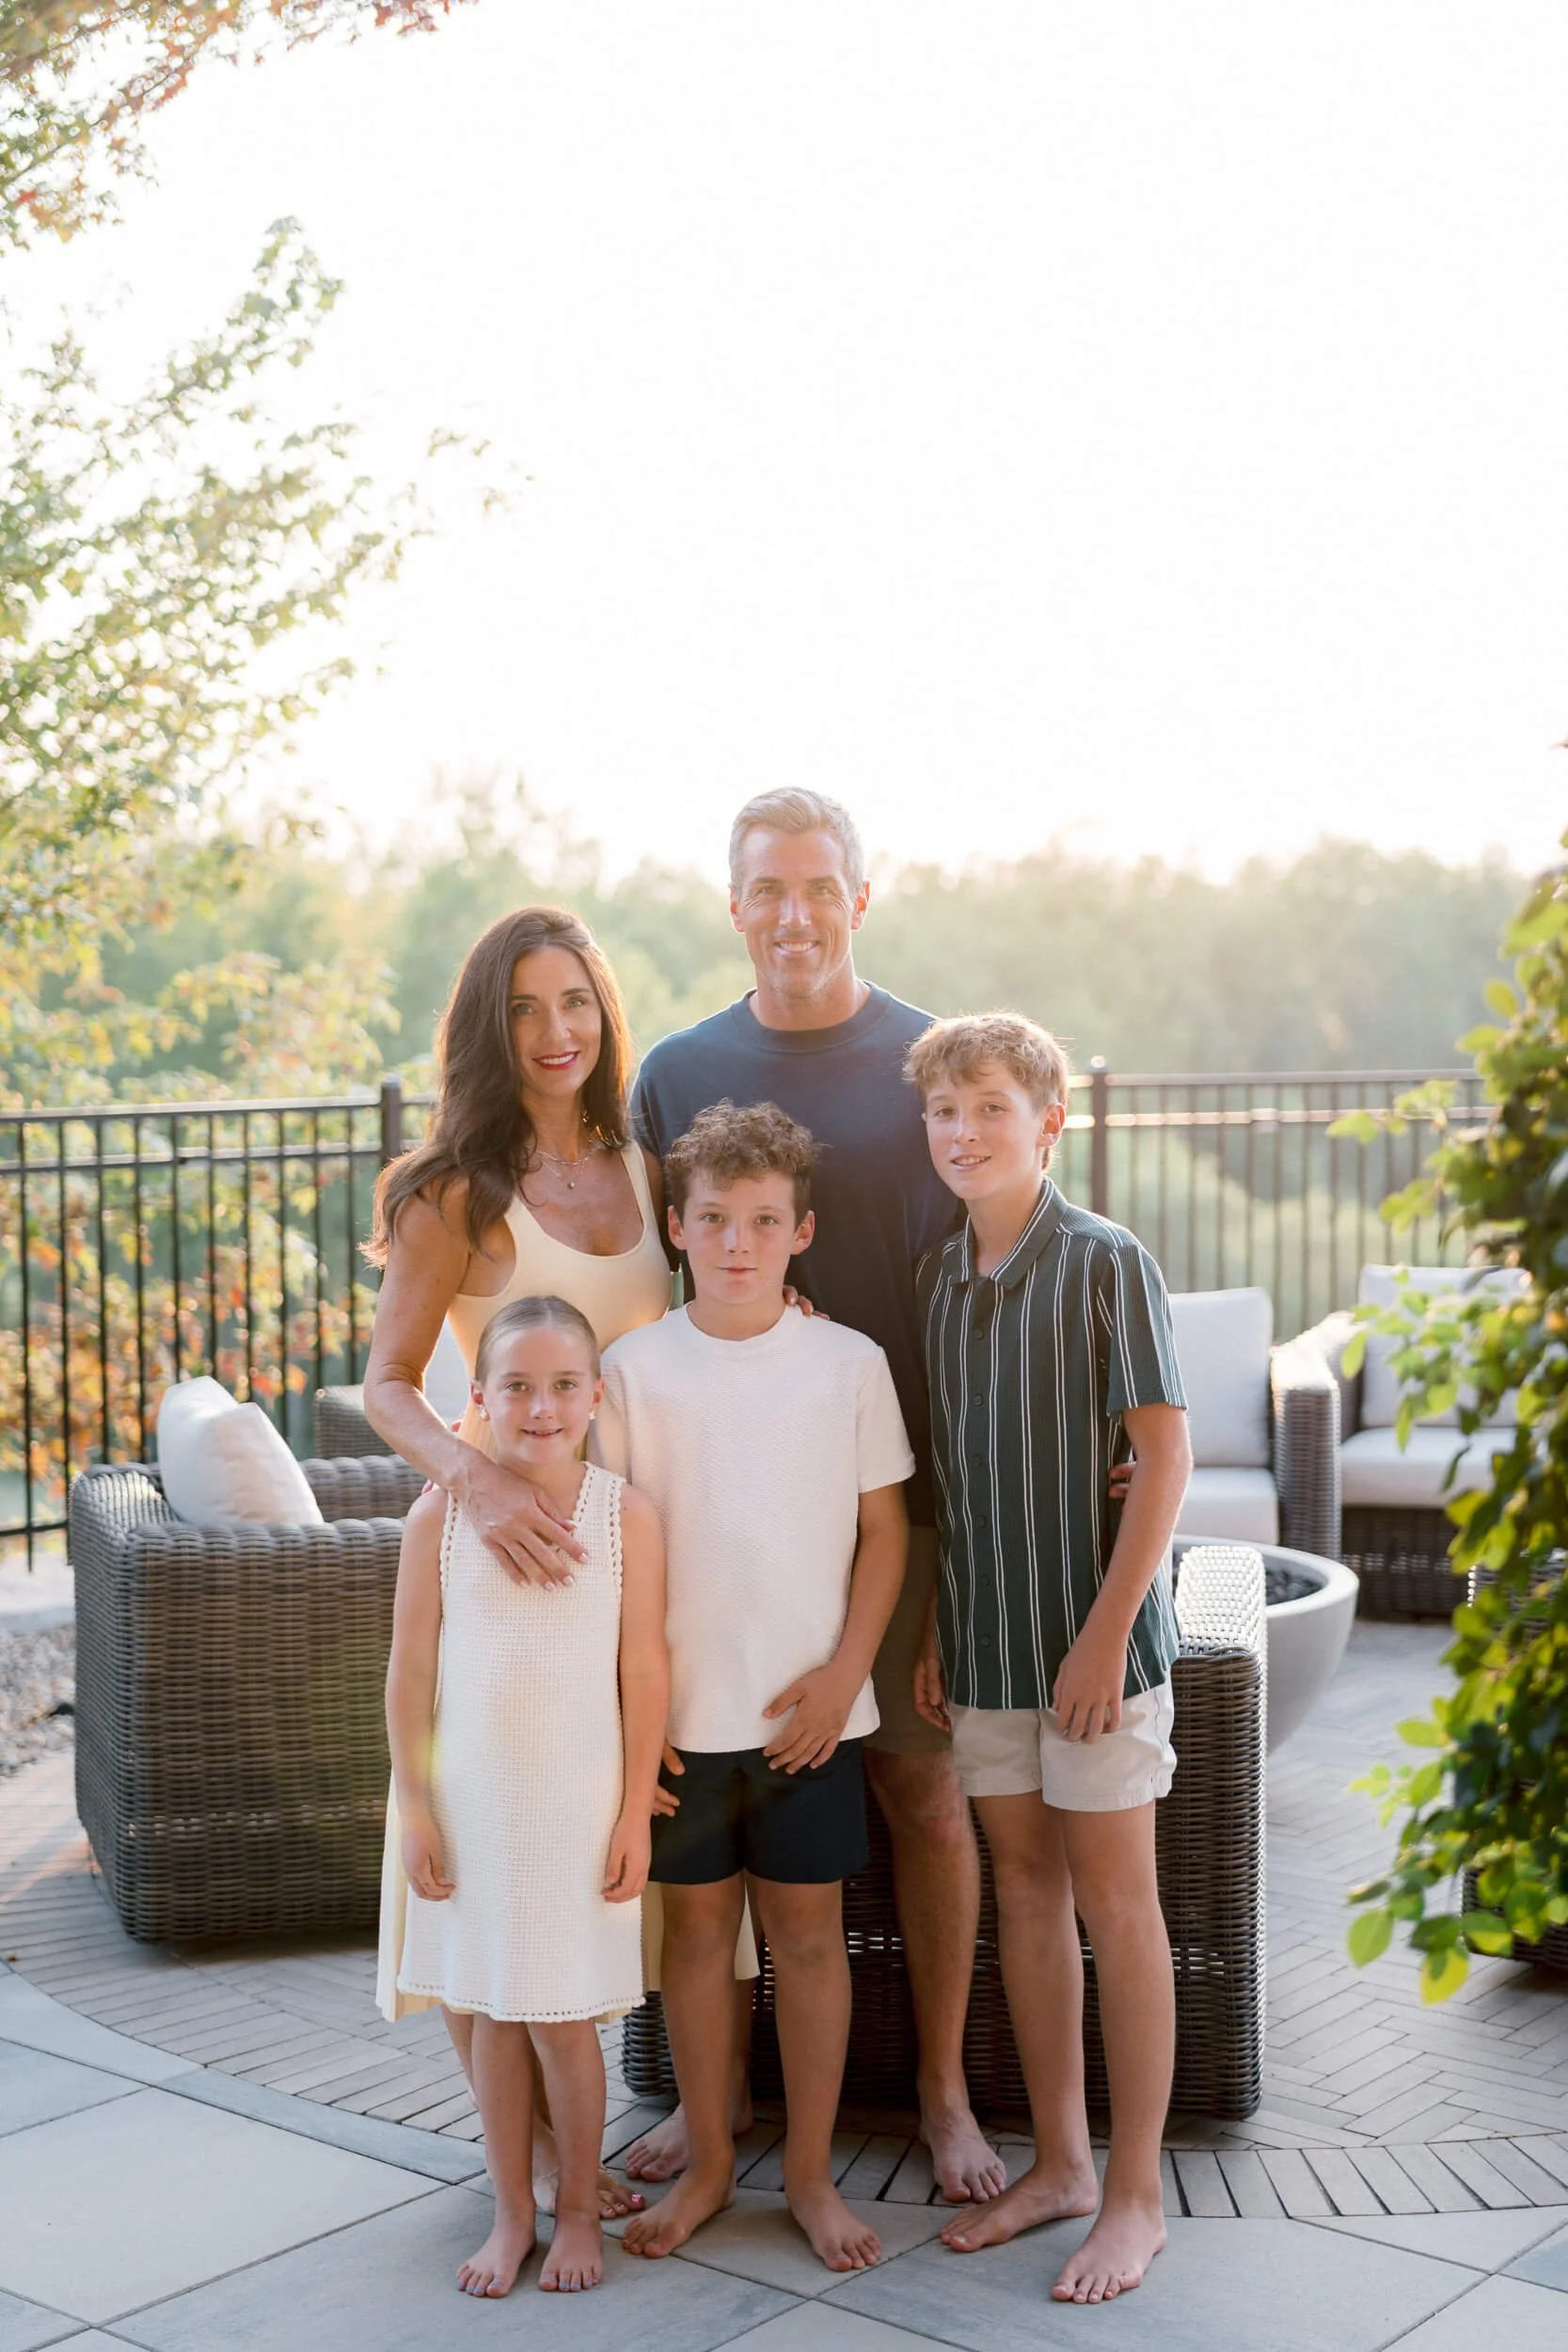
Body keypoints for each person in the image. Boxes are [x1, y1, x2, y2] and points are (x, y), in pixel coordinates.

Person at [625, 788, 1006, 2203]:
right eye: (764, 889)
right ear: (733, 906)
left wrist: (1080, 1433)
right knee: (709, 1802)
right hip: (725, 1517)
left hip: (900, 1501)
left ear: (859, 897)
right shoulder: (672, 1070)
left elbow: (1004, 1250)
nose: (791, 913)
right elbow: (638, 1269)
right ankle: (710, 2109)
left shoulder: (922, 1062)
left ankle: (943, 2093)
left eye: (816, 886)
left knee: (917, 1791)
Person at [364, 903, 676, 2218]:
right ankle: (537, 2169)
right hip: (499, 1574)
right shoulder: (454, 1190)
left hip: (633, 1555)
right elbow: (384, 1387)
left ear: (605, 1016)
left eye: (576, 1003)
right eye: (526, 1010)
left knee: (591, 1867)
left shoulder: (646, 1168)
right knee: (477, 1890)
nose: (556, 1033)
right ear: (490, 1031)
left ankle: (585, 2130)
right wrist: (474, 1478)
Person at [593, 1102, 914, 2272]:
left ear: (801, 1231)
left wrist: (844, 1677)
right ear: (675, 1228)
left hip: (808, 1722)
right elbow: (613, 1556)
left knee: (809, 1940)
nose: (738, 1241)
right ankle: (716, 2167)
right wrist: (635, 1724)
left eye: (763, 1220)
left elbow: (884, 1534)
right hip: (679, 1724)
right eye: (715, 1219)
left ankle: (815, 2178)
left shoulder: (848, 1364)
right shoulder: (631, 1374)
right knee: (692, 1942)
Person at [906, 1012, 1192, 2307]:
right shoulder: (932, 1279)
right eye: (942, 1114)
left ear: (1046, 1122)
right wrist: (929, 1629)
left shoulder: (1104, 1262)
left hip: (1096, 1657)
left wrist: (1098, 1639)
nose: (961, 1134)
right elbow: (949, 1481)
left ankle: (1133, 2193)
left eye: (987, 1110)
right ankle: (1061, 2165)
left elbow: (1162, 1459)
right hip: (981, 1647)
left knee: (1113, 1908)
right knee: (1020, 1894)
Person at [385, 1295, 668, 2296]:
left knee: (561, 2021)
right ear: (479, 1397)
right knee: (489, 2014)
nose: (539, 1407)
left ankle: (579, 2208)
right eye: (516, 1386)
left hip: (574, 1812)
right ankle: (513, 2211)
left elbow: (644, 1672)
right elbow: (408, 1672)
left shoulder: (623, 1512)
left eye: (561, 1386)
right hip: (473, 1810)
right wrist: (417, 1808)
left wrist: (634, 1808)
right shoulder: (441, 1514)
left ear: (595, 1396)